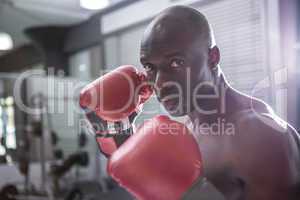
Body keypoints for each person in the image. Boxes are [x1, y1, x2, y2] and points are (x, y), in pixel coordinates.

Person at [137, 5, 300, 199]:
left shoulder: (259, 134)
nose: (160, 83)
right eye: (149, 67)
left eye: (176, 62)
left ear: (213, 58)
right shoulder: (187, 127)